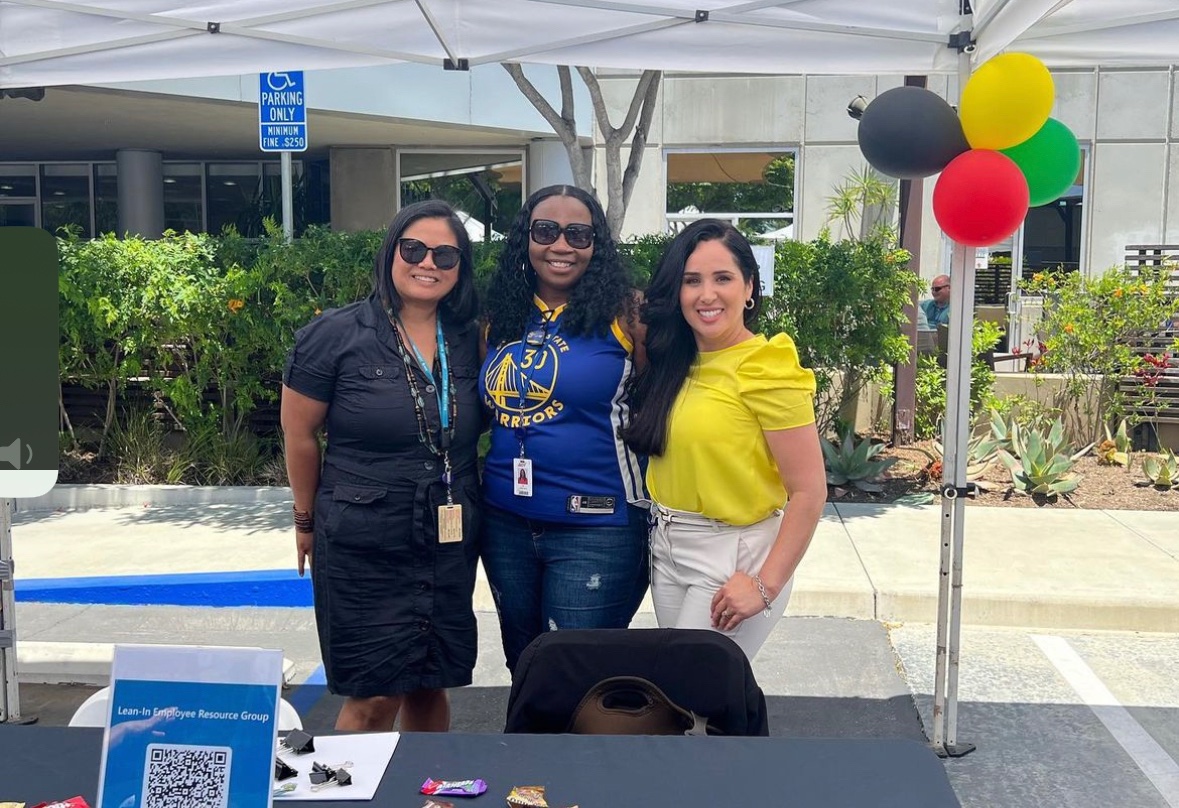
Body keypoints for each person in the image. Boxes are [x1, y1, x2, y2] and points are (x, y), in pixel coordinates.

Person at [281, 200, 483, 732]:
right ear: (391, 252)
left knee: (428, 684)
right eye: (413, 249)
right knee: (373, 696)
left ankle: (428, 793)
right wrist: (304, 521)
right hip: (363, 538)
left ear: (460, 266)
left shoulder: (470, 339)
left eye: (446, 254)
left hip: (447, 538)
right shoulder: (334, 334)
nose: (428, 263)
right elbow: (300, 436)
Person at [620, 218, 827, 661]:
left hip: (733, 554)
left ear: (749, 287)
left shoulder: (767, 366)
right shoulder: (673, 363)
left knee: (696, 704)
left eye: (723, 278)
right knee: (683, 708)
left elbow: (809, 492)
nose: (706, 294)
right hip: (668, 547)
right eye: (691, 280)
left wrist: (764, 584)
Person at [479, 184, 649, 673]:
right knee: (524, 664)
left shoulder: (628, 313)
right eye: (546, 231)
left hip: (598, 522)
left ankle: (574, 755)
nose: (561, 246)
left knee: (575, 674)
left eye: (578, 234)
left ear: (597, 244)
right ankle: (530, 752)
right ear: (525, 239)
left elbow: (665, 401)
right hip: (505, 520)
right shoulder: (500, 315)